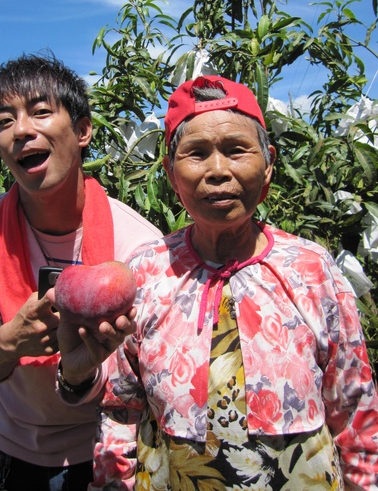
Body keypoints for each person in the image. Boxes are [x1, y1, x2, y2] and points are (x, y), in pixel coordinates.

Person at [85, 75, 378, 489]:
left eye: (237, 150)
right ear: (171, 172)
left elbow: (355, 407)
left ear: (269, 163)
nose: (218, 171)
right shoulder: (145, 270)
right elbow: (120, 407)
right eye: (196, 154)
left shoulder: (311, 268)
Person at [0, 52, 162, 491]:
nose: (21, 130)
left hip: (102, 449)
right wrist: (8, 344)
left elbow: (138, 384)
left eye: (41, 112)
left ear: (82, 131)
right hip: (6, 443)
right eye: (5, 122)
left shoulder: (137, 246)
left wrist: (78, 372)